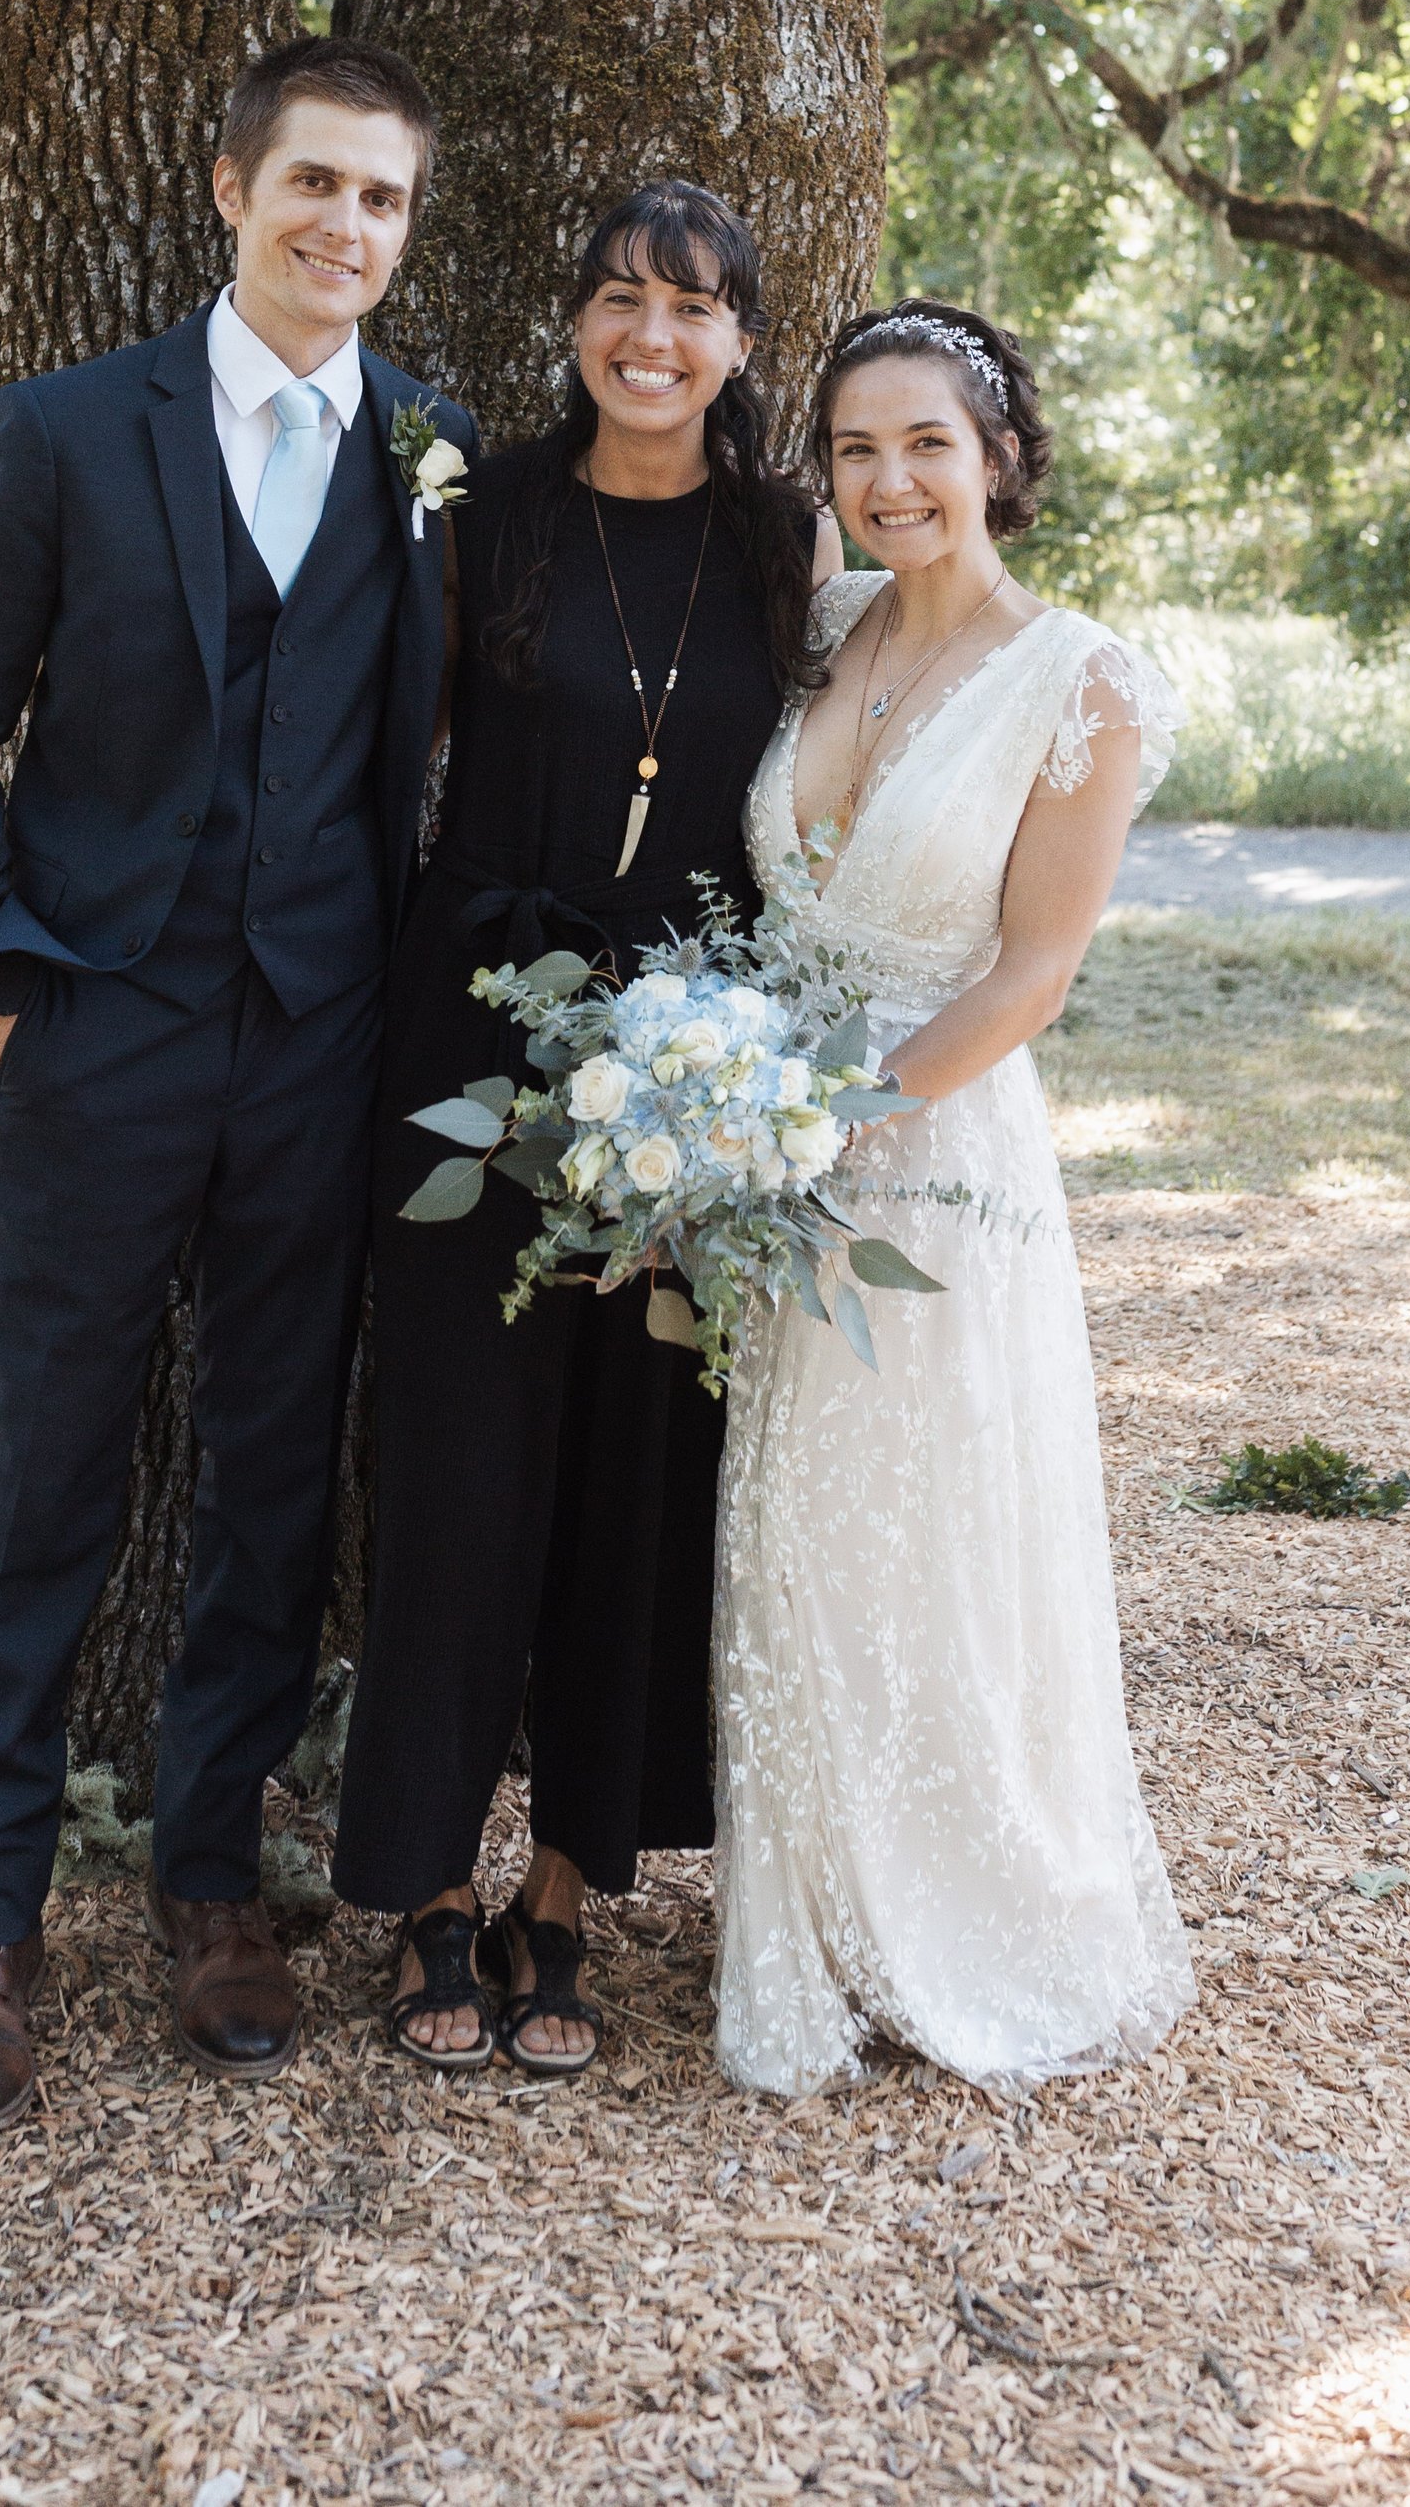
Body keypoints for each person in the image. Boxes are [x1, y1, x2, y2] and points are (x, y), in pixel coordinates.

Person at [0, 38, 473, 2132]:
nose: (345, 225)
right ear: (232, 190)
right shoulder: (66, 430)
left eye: (382, 197)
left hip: (320, 1048)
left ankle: (214, 1882)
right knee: (34, 1475)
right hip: (96, 1029)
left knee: (271, 1474)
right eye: (315, 182)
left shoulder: (432, 454)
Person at [332, 182, 840, 2078]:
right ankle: (422, 1883)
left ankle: (564, 1885)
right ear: (575, 321)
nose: (653, 336)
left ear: (741, 342)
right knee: (457, 1458)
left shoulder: (788, 540)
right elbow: (385, 741)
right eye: (621, 297)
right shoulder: (481, 503)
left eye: (694, 308)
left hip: (693, 1058)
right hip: (471, 1018)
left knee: (639, 1460)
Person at [713, 295, 1193, 2093]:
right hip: (768, 1156)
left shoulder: (1080, 679)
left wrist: (829, 1117)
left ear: (997, 456)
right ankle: (825, 1909)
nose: (892, 478)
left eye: (927, 442)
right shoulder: (817, 627)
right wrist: (737, 1111)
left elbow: (1033, 971)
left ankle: (970, 1907)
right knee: (800, 1535)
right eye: (857, 448)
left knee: (934, 1532)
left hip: (932, 1157)